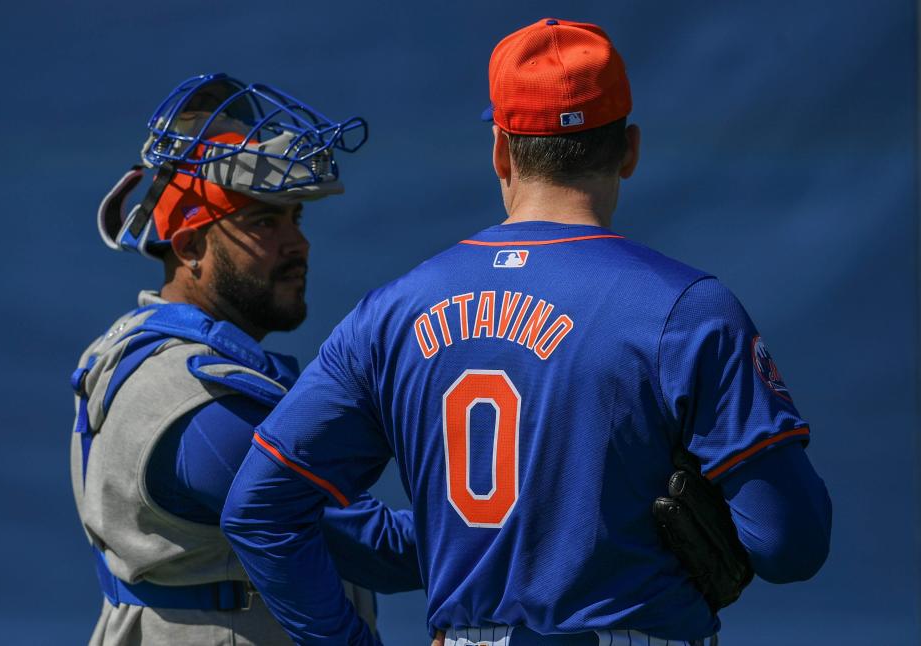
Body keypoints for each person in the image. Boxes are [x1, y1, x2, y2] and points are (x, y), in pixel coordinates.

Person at [221, 19, 832, 646]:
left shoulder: (390, 313)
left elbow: (259, 509)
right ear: (630, 150)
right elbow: (790, 544)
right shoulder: (686, 311)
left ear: (501, 152)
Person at [69, 73, 420, 646]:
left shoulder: (145, 351)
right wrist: (533, 515)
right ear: (190, 248)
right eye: (262, 222)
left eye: (295, 219)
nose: (297, 242)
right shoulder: (198, 403)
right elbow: (379, 550)